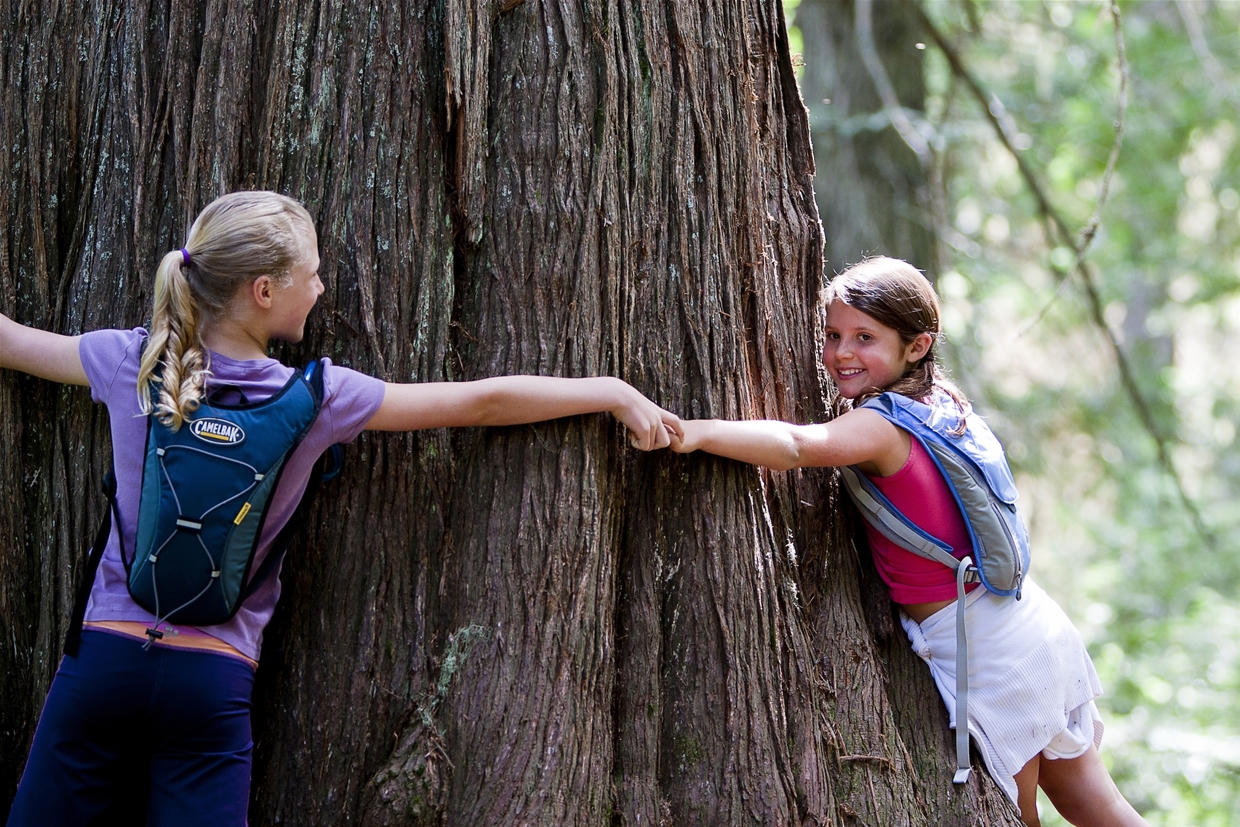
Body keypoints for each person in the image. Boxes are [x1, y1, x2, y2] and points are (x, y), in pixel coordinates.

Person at [0, 190, 682, 826]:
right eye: (312, 274)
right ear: (263, 292)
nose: (322, 288)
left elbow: (9, 339)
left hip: (102, 665)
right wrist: (610, 389)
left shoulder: (131, 362)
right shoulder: (319, 397)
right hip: (209, 681)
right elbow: (480, 401)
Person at [665, 256, 1146, 827]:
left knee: (1015, 816)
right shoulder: (940, 405)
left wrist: (693, 432)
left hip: (987, 648)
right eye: (833, 335)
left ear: (917, 346)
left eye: (866, 338)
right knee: (1096, 804)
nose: (842, 353)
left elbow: (796, 446)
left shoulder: (881, 425)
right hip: (1026, 623)